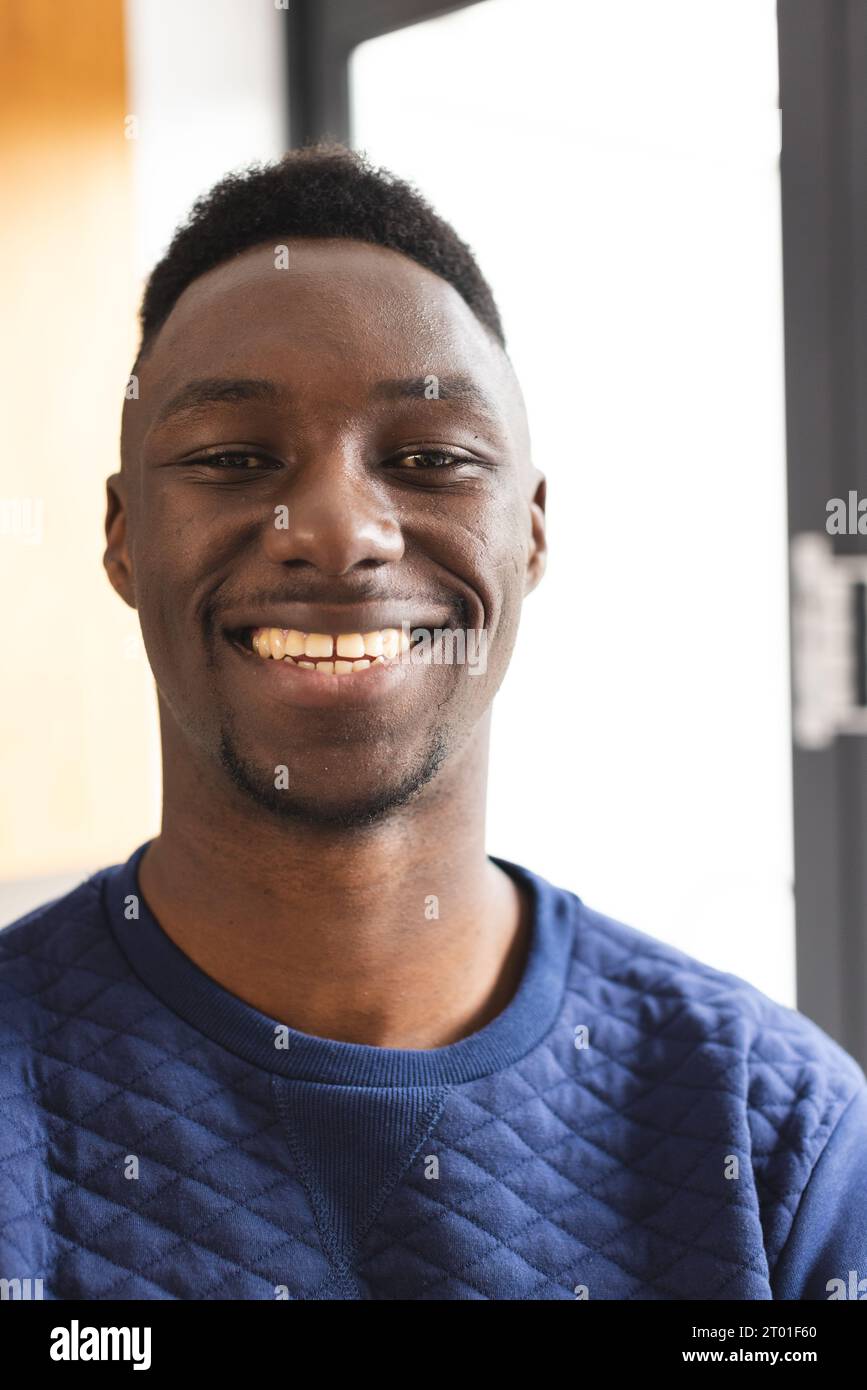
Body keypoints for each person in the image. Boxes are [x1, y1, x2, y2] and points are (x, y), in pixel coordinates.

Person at [2, 144, 865, 1302]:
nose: (338, 529)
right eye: (232, 457)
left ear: (534, 532)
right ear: (122, 537)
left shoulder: (775, 1137)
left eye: (429, 459)